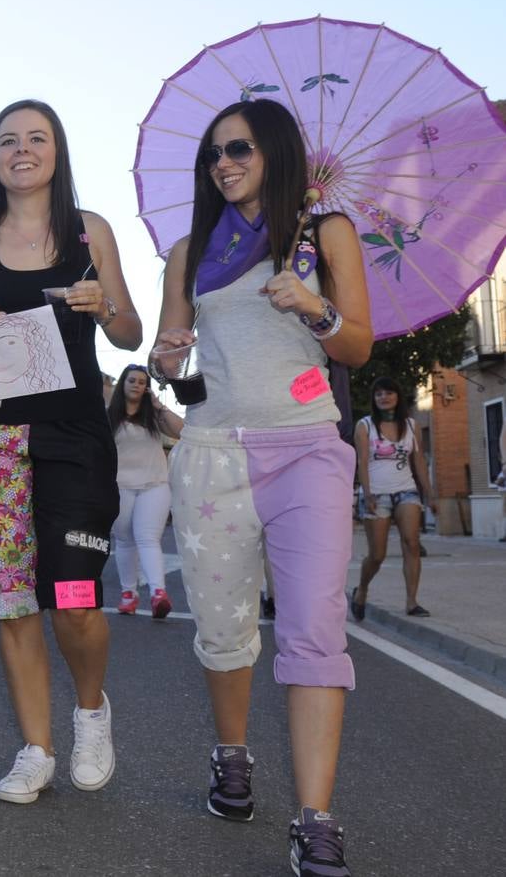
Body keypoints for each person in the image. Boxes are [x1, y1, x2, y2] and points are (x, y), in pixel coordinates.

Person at [153, 98, 372, 875]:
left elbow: (356, 340)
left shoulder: (323, 233)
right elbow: (165, 355)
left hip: (307, 448)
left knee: (314, 624)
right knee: (222, 628)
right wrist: (167, 355)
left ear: (275, 151)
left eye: (239, 148)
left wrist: (314, 309)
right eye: (214, 153)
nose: (224, 163)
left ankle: (315, 818)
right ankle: (232, 755)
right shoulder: (188, 250)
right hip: (212, 451)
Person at [0, 99, 143, 804]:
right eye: (7, 141)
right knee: (13, 603)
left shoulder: (90, 232)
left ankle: (90, 710)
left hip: (75, 435)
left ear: (57, 152)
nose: (21, 150)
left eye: (36, 138)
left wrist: (102, 306)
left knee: (75, 598)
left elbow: (128, 333)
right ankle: (35, 748)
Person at [350, 377, 434, 619]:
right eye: (378, 394)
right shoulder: (365, 426)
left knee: (412, 543)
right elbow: (362, 461)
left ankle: (411, 602)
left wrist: (430, 495)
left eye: (388, 392)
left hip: (406, 490)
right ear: (374, 399)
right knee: (377, 555)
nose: (383, 397)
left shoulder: (411, 425)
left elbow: (418, 461)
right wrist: (367, 493)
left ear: (398, 396)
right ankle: (362, 589)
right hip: (376, 493)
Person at [107, 363, 182, 618]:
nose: (137, 385)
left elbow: (181, 430)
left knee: (148, 538)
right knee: (125, 540)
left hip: (155, 484)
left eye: (142, 382)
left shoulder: (153, 416)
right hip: (119, 486)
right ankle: (129, 594)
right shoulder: (108, 416)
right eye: (132, 380)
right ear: (123, 384)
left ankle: (158, 593)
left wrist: (160, 406)